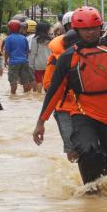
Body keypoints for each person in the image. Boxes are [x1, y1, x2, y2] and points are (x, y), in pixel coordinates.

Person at [33, 6, 107, 186]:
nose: (90, 32)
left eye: (93, 28)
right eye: (85, 29)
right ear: (76, 30)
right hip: (83, 112)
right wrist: (41, 122)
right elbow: (54, 91)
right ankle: (90, 193)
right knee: (87, 150)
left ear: (100, 28)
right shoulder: (68, 57)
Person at [43, 11, 79, 162]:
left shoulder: (97, 50)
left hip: (89, 106)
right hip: (64, 106)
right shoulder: (57, 57)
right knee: (72, 148)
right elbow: (48, 86)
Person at [4, 19, 33, 94]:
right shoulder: (24, 38)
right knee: (25, 81)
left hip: (13, 62)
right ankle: (26, 97)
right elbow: (26, 51)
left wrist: (5, 61)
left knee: (13, 81)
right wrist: (25, 59)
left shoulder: (8, 38)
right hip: (24, 62)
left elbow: (7, 51)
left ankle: (13, 97)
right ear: (19, 28)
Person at [28, 22, 52, 93]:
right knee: (47, 80)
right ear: (46, 30)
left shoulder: (35, 39)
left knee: (39, 80)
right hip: (48, 62)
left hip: (38, 63)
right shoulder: (51, 39)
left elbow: (33, 53)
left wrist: (31, 64)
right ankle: (46, 95)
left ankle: (39, 95)